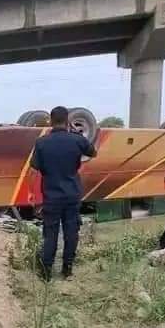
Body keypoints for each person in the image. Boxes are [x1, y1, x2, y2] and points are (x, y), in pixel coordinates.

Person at [29, 106, 97, 281]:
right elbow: (93, 152)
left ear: (51, 121)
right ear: (67, 121)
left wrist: (33, 194)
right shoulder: (77, 140)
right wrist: (77, 132)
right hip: (72, 195)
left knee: (50, 233)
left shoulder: (42, 142)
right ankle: (67, 270)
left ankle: (46, 272)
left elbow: (34, 169)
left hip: (51, 197)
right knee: (71, 232)